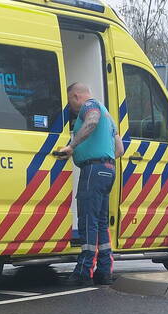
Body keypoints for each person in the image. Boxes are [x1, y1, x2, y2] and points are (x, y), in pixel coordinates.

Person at [55, 82, 124, 286]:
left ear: (76, 96)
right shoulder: (109, 117)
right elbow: (119, 149)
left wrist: (72, 147)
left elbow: (92, 121)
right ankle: (104, 271)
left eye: (70, 101)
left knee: (88, 221)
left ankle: (84, 271)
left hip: (93, 171)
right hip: (108, 170)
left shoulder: (89, 106)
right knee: (101, 222)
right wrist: (104, 158)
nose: (71, 107)